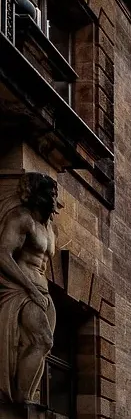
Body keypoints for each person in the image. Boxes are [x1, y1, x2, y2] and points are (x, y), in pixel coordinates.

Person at [0, 173, 58, 404]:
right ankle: (21, 401)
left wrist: (40, 292)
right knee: (43, 340)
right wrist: (31, 290)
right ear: (35, 195)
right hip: (24, 290)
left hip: (43, 292)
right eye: (49, 193)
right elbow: (3, 255)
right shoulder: (22, 218)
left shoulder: (51, 229)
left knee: (41, 348)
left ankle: (27, 399)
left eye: (54, 194)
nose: (53, 198)